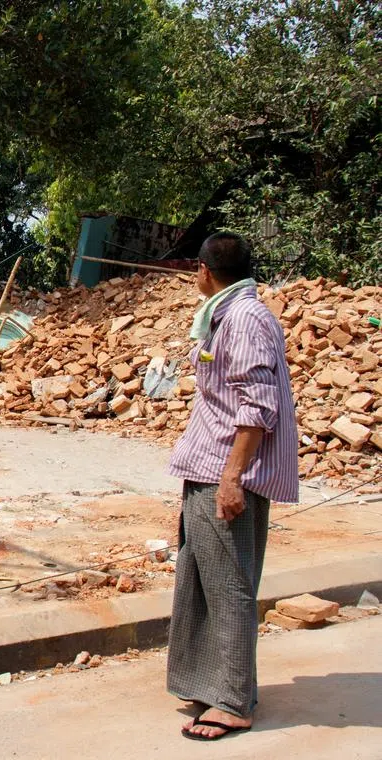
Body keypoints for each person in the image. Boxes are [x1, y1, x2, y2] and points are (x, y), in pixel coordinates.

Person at [165, 232, 299, 741]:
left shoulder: (243, 319)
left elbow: (257, 408)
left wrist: (232, 478)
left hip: (225, 470)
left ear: (203, 271)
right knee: (199, 578)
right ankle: (207, 681)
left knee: (228, 586)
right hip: (207, 464)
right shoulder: (229, 314)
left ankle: (232, 701)